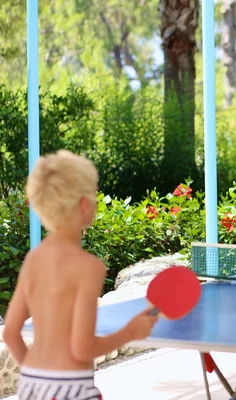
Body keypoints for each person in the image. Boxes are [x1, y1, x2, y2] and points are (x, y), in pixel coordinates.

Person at [2, 150, 158, 400]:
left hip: (32, 387)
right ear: (84, 205)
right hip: (72, 388)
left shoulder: (34, 259)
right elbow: (83, 347)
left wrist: (36, 377)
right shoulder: (88, 267)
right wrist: (130, 332)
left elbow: (10, 332)